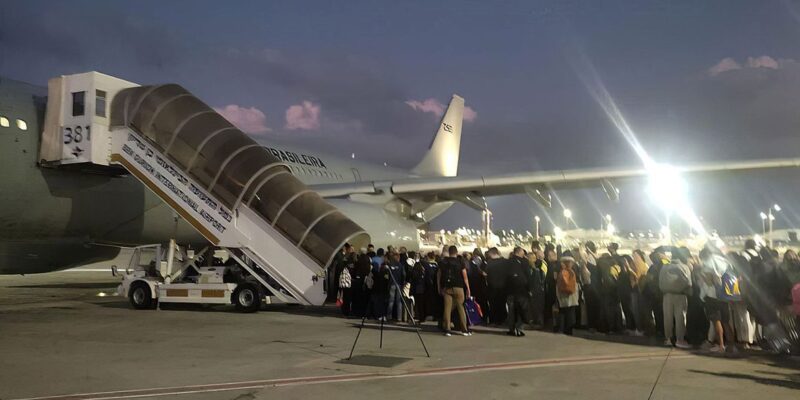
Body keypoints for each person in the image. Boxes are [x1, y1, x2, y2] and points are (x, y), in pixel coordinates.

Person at [659, 247, 692, 349]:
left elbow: (660, 282)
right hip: (680, 295)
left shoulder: (665, 267)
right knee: (680, 318)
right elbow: (689, 283)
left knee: (667, 318)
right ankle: (680, 339)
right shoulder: (684, 267)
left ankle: (668, 338)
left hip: (667, 295)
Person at [437, 245, 471, 336]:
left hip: (447, 287)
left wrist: (439, 287)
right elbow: (465, 277)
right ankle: (464, 329)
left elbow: (439, 276)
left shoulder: (443, 262)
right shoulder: (460, 262)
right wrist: (468, 288)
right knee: (461, 308)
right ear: (456, 252)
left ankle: (447, 329)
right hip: (459, 287)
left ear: (449, 252)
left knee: (447, 309)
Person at [506, 247, 530, 336]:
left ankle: (511, 329)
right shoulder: (524, 262)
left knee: (511, 311)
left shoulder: (508, 262)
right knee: (521, 310)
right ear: (519, 252)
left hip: (510, 290)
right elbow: (528, 275)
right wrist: (529, 289)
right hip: (522, 290)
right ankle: (519, 329)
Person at [556, 255, 580, 335]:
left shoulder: (562, 271)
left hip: (563, 294)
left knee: (563, 311)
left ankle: (561, 328)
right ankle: (569, 329)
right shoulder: (571, 271)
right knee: (570, 312)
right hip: (571, 294)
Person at [485, 247, 509, 325]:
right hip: (504, 286)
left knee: (493, 304)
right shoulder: (505, 262)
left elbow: (486, 274)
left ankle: (495, 320)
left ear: (492, 254)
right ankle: (503, 319)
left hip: (492, 286)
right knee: (502, 304)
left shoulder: (489, 263)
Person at [385, 252, 406, 321]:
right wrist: (403, 284)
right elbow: (403, 275)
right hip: (399, 284)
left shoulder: (390, 265)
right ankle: (399, 317)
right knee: (399, 301)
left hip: (392, 284)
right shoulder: (400, 265)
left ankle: (389, 316)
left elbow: (387, 276)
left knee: (391, 301)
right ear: (398, 258)